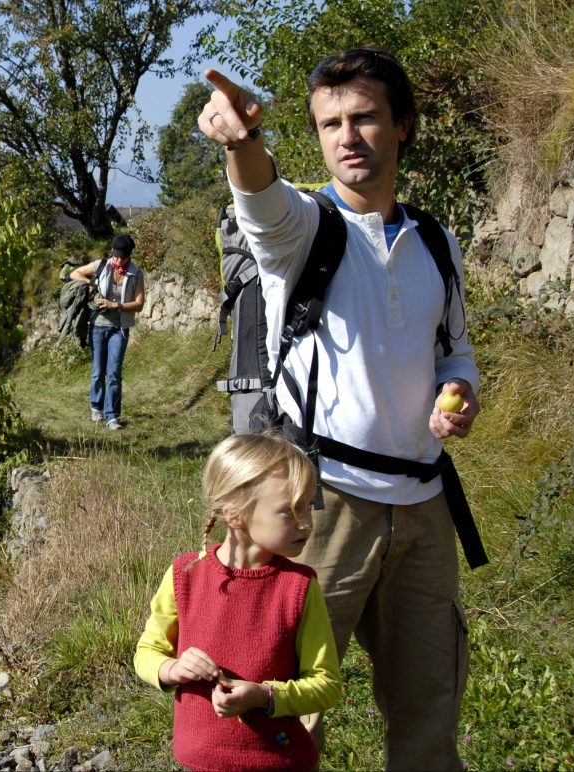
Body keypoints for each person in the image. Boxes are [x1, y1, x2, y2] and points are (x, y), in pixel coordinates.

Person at [197, 46, 482, 770]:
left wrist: (460, 393)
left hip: (423, 511)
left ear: (403, 126)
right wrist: (242, 142)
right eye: (330, 124)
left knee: (429, 719)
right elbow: (261, 201)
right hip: (317, 510)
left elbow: (454, 351)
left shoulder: (436, 244)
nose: (347, 137)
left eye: (364, 118)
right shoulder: (304, 230)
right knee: (282, 719)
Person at [134, 434, 342, 772]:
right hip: (199, 762)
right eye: (289, 511)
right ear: (234, 513)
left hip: (280, 762)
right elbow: (147, 652)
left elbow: (326, 684)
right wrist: (172, 669)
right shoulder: (184, 575)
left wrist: (265, 696)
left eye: (307, 506)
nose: (306, 522)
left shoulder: (300, 587)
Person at [68, 234, 146, 430]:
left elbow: (139, 304)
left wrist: (115, 305)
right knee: (97, 372)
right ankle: (96, 406)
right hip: (98, 325)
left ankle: (112, 417)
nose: (118, 260)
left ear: (129, 256)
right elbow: (74, 274)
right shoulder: (101, 265)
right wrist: (91, 284)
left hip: (119, 328)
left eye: (122, 257)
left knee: (114, 374)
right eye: (116, 256)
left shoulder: (136, 273)